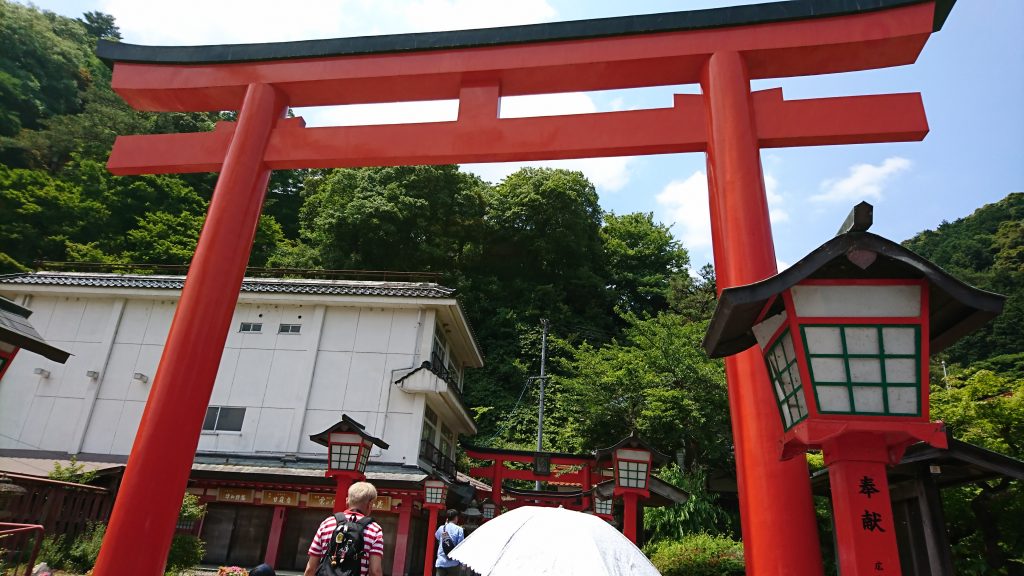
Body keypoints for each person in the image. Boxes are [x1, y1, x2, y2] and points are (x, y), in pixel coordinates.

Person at [304, 481, 385, 576]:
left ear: (347, 500)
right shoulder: (374, 530)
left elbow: (311, 568)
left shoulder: (327, 523)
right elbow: (375, 571)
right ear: (370, 504)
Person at [434, 509, 464, 575]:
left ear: (447, 518)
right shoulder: (459, 529)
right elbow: (460, 546)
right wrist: (462, 563)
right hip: (453, 562)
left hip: (441, 561)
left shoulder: (441, 528)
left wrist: (445, 525)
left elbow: (437, 537)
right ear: (456, 518)